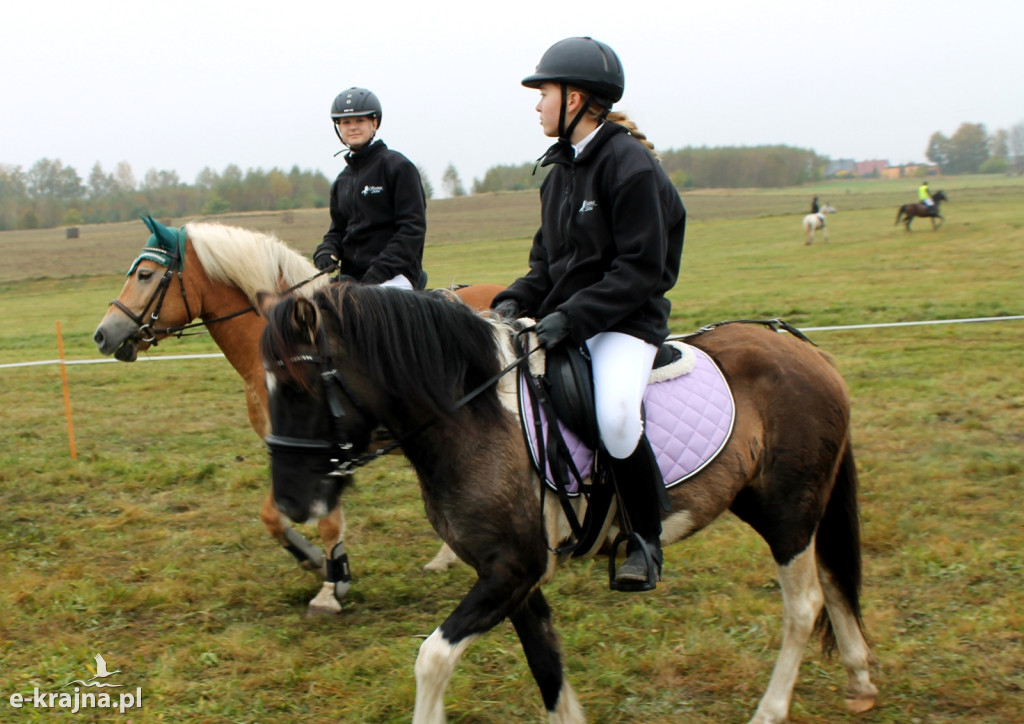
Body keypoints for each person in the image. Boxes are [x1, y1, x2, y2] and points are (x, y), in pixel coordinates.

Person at [490, 37, 685, 591]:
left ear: (574, 99)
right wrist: (515, 299)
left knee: (618, 415)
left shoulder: (630, 165)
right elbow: (546, 264)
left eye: (543, 92)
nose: (536, 105)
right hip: (568, 320)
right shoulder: (558, 174)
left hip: (625, 323)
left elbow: (641, 269)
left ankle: (645, 539)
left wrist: (570, 318)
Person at [313, 87, 427, 290]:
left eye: (360, 121)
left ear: (374, 123)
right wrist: (326, 250)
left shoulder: (397, 167)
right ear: (339, 127)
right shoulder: (342, 180)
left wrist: (377, 273)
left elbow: (412, 229)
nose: (353, 127)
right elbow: (337, 230)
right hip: (353, 278)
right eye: (346, 122)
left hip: (395, 276)